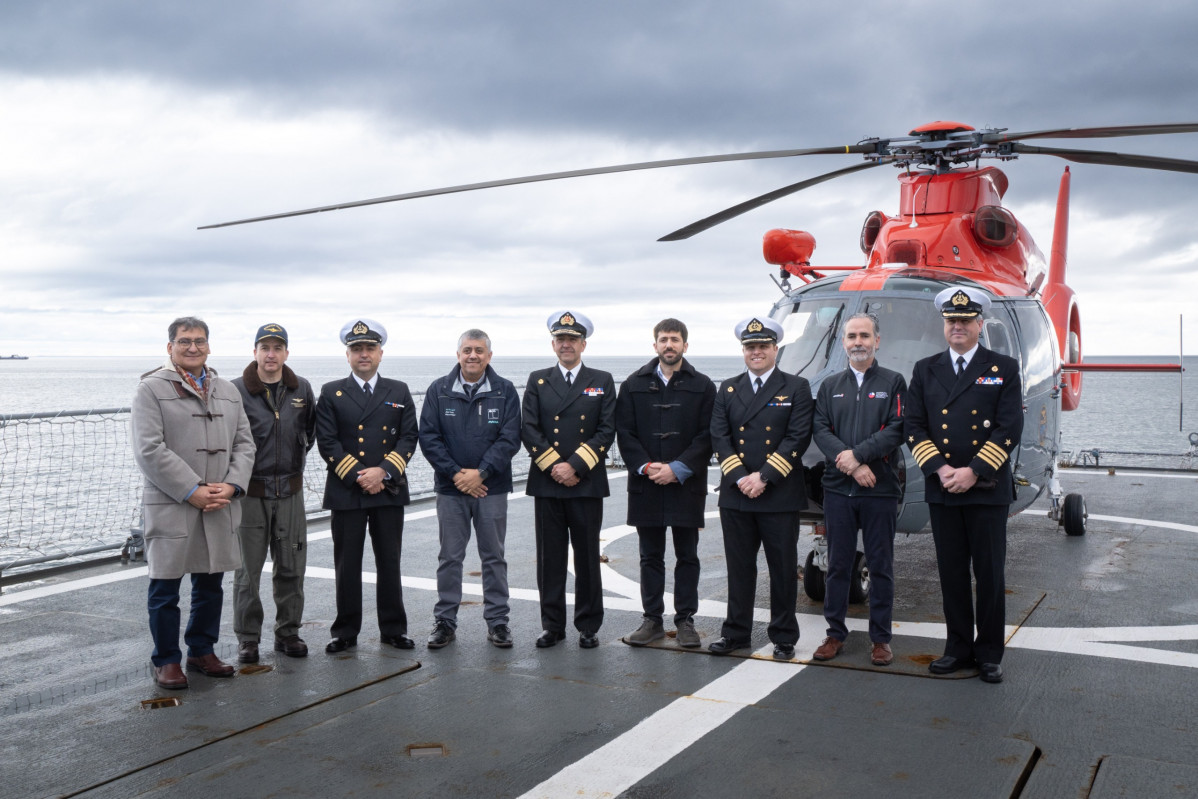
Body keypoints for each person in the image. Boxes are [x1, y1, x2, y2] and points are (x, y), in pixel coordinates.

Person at [905, 287, 1023, 684]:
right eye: (951, 321)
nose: (957, 326)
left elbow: (1010, 427)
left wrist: (973, 470)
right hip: (943, 487)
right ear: (945, 326)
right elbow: (914, 427)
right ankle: (957, 648)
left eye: (965, 320)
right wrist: (940, 469)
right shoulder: (925, 369)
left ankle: (989, 653)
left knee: (989, 574)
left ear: (978, 324)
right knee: (951, 572)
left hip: (986, 487)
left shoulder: (1003, 367)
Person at [131, 316, 255, 689]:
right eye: (184, 341)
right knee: (165, 587)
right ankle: (166, 660)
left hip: (219, 502)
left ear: (209, 346)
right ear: (170, 347)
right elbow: (148, 449)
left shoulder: (227, 391)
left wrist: (232, 486)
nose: (192, 348)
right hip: (172, 503)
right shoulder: (150, 389)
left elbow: (245, 443)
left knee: (210, 584)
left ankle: (202, 651)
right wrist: (191, 489)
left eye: (199, 341)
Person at [708, 317, 814, 660]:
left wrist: (764, 476)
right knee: (739, 568)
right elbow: (720, 438)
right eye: (750, 347)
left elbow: (797, 437)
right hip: (737, 494)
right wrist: (741, 477)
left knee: (782, 569)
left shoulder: (796, 387)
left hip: (778, 494)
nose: (756, 352)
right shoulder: (727, 388)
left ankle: (783, 636)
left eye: (763, 346)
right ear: (743, 351)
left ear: (775, 349)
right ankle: (736, 632)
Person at [316, 319, 419, 654]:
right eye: (357, 349)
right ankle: (345, 631)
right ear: (347, 355)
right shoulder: (332, 392)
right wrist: (361, 475)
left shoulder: (399, 390)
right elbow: (327, 441)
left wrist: (383, 472)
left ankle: (393, 629)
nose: (364, 354)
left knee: (389, 561)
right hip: (348, 489)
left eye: (369, 348)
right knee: (347, 563)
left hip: (387, 489)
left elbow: (408, 438)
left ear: (380, 353)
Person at [811, 313, 906, 666]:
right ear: (843, 342)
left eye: (864, 335)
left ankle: (880, 639)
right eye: (851, 336)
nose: (858, 342)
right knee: (837, 565)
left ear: (877, 341)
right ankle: (835, 634)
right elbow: (820, 429)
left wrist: (860, 457)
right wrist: (849, 462)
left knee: (881, 566)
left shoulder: (894, 382)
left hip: (879, 489)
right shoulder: (830, 385)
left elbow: (897, 428)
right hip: (838, 490)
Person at [418, 329, 522, 649]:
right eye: (467, 350)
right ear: (458, 354)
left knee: (494, 557)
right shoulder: (438, 390)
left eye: (479, 350)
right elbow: (429, 437)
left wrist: (482, 473)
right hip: (451, 490)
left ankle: (498, 622)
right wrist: (457, 475)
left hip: (491, 488)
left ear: (489, 356)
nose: (472, 355)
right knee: (450, 557)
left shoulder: (505, 391)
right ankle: (445, 622)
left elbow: (510, 438)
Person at [616, 318, 715, 648]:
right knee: (650, 555)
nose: (669, 345)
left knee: (688, 555)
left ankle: (685, 620)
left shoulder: (703, 385)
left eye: (675, 339)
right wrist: (646, 466)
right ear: (655, 345)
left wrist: (677, 467)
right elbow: (625, 433)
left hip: (686, 484)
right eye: (663, 339)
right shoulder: (632, 384)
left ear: (686, 345)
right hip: (646, 484)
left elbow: (707, 435)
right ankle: (652, 620)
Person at [521, 310, 616, 649]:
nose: (566, 344)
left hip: (586, 482)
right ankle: (552, 625)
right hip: (548, 483)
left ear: (583, 344)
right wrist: (555, 467)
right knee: (550, 557)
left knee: (587, 555)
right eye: (560, 339)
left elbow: (607, 430)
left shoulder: (602, 380)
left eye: (572, 339)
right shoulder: (538, 380)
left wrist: (575, 465)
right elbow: (529, 429)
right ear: (553, 344)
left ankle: (588, 625)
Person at [231, 323, 318, 663]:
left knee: (292, 566)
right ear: (254, 352)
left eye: (277, 347)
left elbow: (309, 433)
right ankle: (248, 638)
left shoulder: (302, 389)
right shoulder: (235, 391)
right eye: (264, 347)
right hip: (251, 495)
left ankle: (288, 632)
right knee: (247, 573)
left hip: (290, 494)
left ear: (286, 353)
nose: (271, 354)